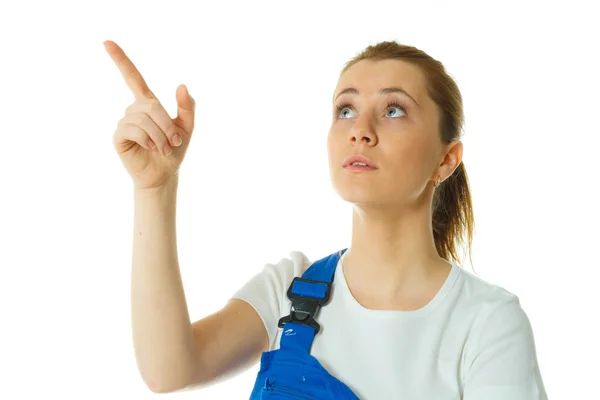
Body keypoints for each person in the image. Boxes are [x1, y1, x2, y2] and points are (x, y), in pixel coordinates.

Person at [106, 39, 548, 399]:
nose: (360, 129)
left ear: (446, 160)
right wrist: (154, 188)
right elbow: (168, 370)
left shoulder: (487, 323)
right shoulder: (290, 292)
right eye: (345, 110)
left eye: (394, 109)